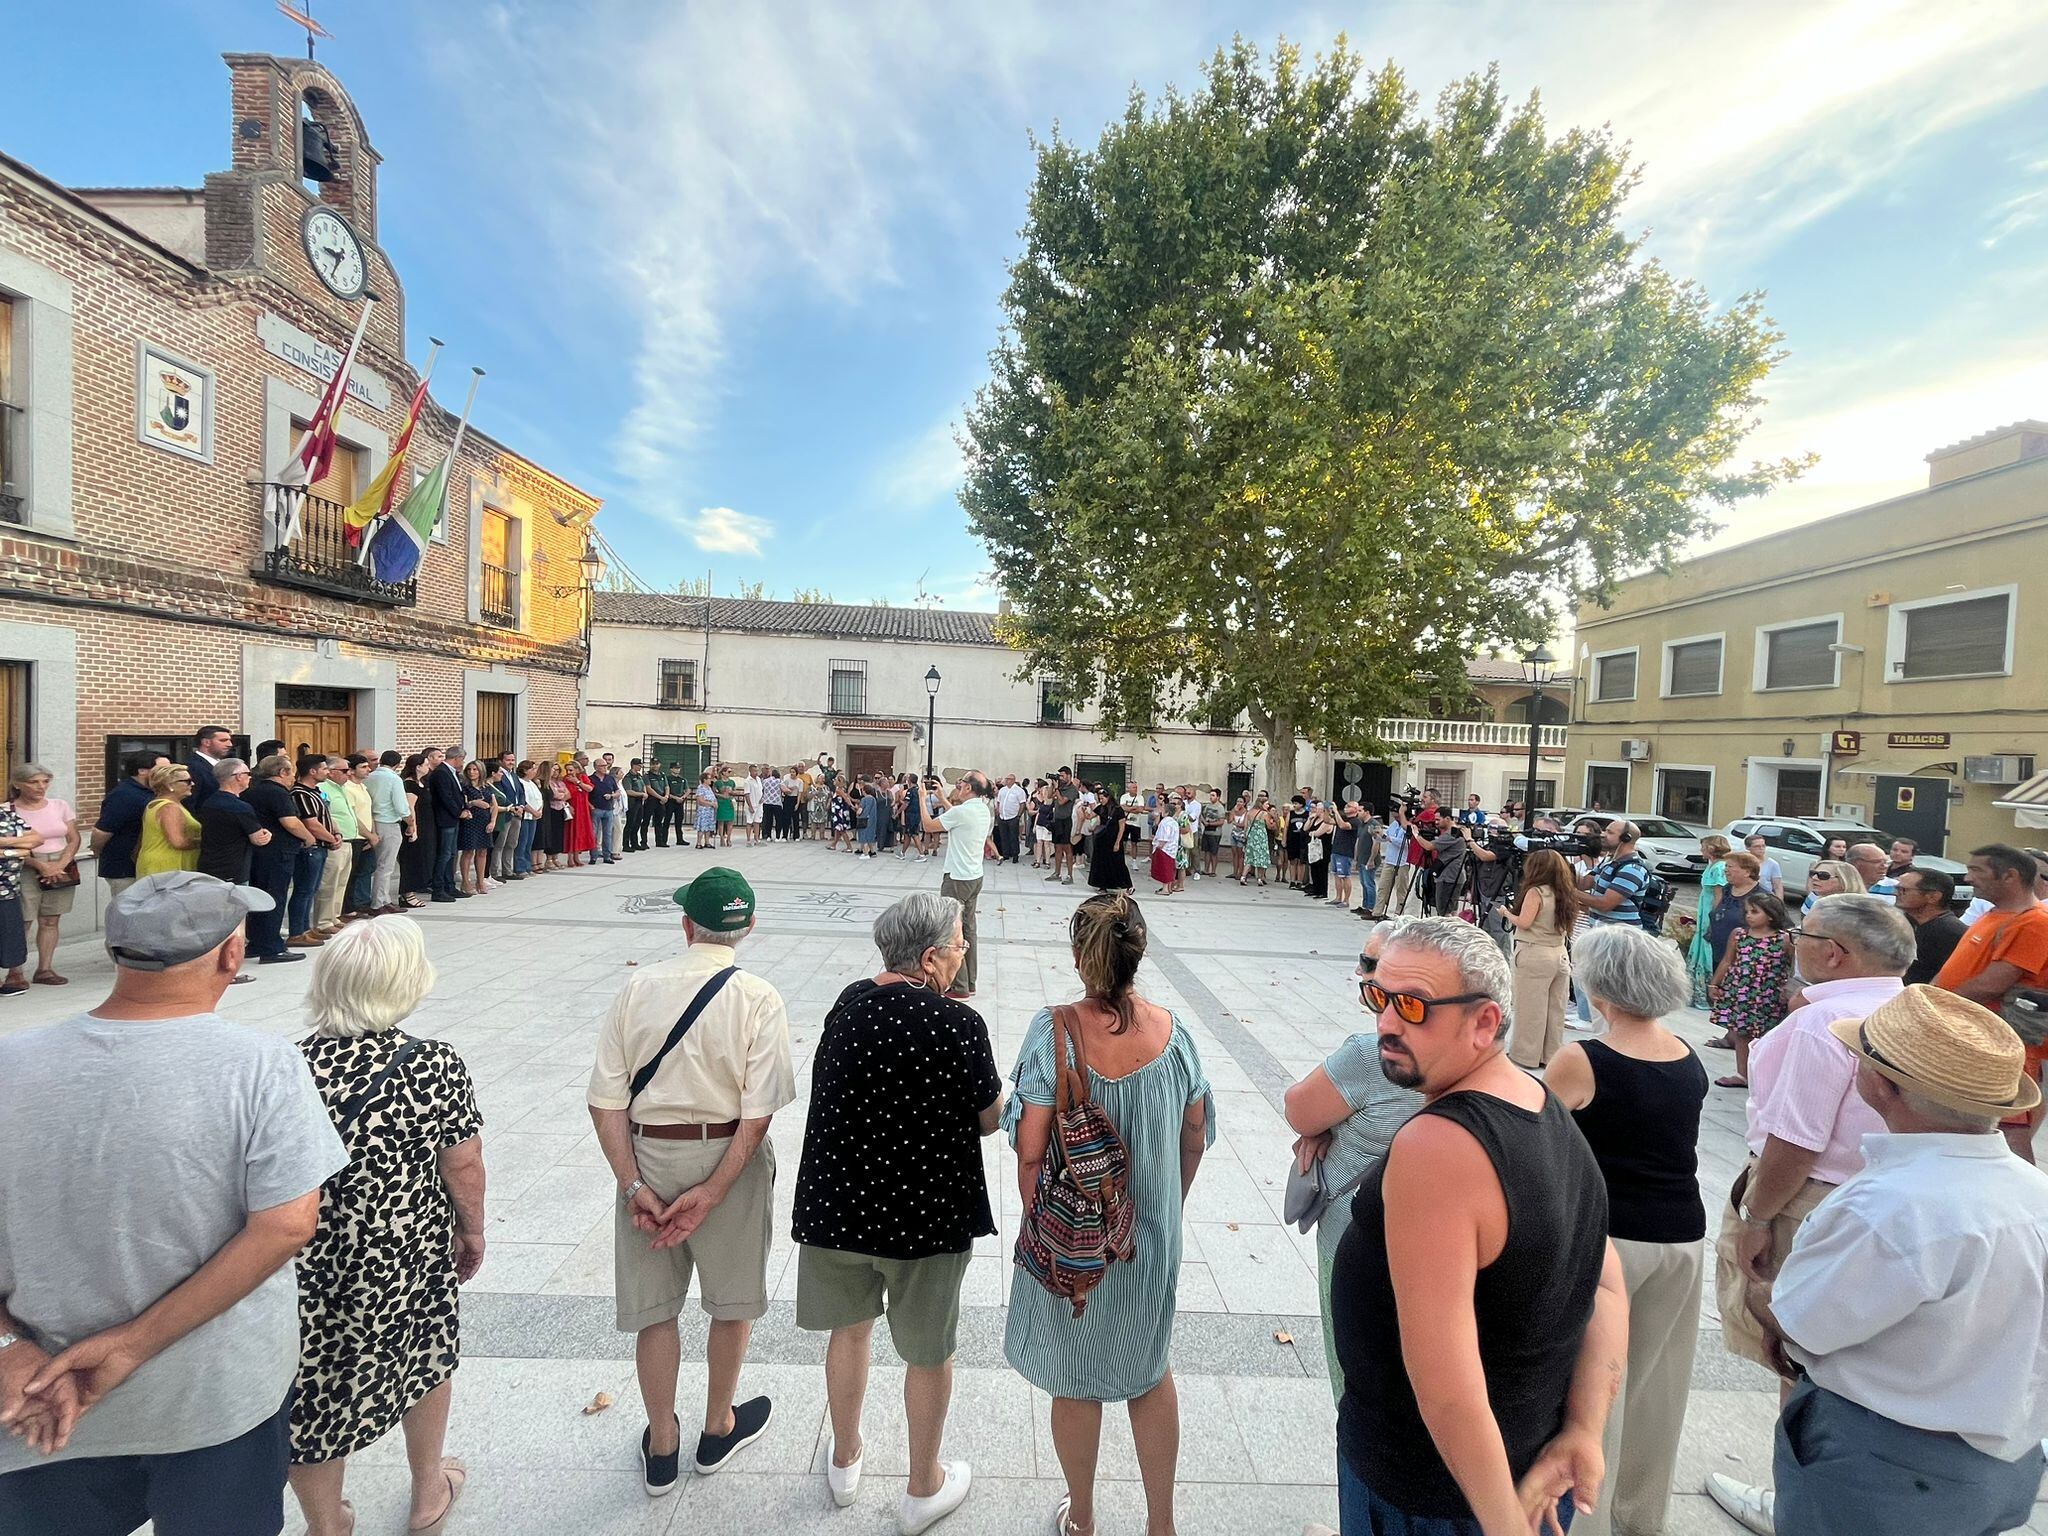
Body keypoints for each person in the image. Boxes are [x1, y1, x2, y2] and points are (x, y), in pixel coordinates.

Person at [0, 873, 344, 1536]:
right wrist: (130, 1345)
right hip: (213, 1399)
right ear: (230, 955)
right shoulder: (261, 1065)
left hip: (41, 1398)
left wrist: (10, 1345)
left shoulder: (12, 1063)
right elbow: (287, 1224)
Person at [1715, 987, 2048, 1536]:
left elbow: (1802, 1324)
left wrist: (1757, 1292)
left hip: (1887, 1462)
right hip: (2006, 1463)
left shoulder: (1889, 1206)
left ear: (1884, 1085)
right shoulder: (2032, 1193)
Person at [1330, 917, 1625, 1532]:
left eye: (1413, 1006)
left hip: (1438, 1494)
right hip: (1522, 1466)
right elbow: (1605, 1287)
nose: (1386, 1022)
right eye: (1378, 997)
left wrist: (1504, 1526)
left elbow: (1446, 1386)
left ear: (1485, 1022)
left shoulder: (1437, 1148)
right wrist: (1582, 1428)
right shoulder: (1540, 1103)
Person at [1003, 892, 1212, 1536]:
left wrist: (1044, 1226)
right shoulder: (1174, 1034)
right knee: (1151, 1373)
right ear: (1138, 952)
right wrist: (1165, 1210)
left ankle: (1085, 1515)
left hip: (1076, 1250)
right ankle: (1161, 1524)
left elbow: (1031, 1150)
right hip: (1149, 1242)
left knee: (1076, 1380)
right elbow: (1195, 1131)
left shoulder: (1054, 1029)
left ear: (1078, 957)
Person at [585, 868, 794, 1498]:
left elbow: (605, 1101)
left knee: (656, 1310)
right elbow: (759, 1115)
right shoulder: (759, 996)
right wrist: (716, 1189)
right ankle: (717, 1424)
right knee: (731, 1305)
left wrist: (631, 1185)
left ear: (685, 925)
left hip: (648, 1156)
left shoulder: (638, 987)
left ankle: (662, 1441)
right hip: (729, 1159)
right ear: (747, 927)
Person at [793, 893, 1000, 1530]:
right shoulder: (959, 1025)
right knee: (929, 1351)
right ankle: (922, 1486)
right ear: (932, 956)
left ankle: (846, 1460)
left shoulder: (848, 1004)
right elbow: (990, 1120)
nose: (965, 952)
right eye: (961, 943)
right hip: (927, 1219)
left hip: (840, 1208)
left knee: (848, 1331)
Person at [286, 917, 485, 1536]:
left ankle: (326, 1521)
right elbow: (464, 1165)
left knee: (313, 1379)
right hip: (406, 1245)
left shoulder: (284, 1065)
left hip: (305, 1250)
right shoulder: (432, 1064)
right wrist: (472, 1231)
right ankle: (428, 1491)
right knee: (424, 1354)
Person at [1707, 893, 1910, 1446]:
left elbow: (1795, 1139)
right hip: (1879, 1192)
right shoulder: (1914, 1009)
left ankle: (1792, 1486)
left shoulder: (1824, 1021)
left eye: (1804, 936)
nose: (1795, 943)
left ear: (1836, 954)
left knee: (1793, 1350)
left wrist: (1756, 1216)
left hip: (1810, 1197)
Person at [1536, 924, 1707, 1536]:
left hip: (1610, 1242)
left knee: (1594, 1385)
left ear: (1600, 986)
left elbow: (1538, 1138)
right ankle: (1639, 1520)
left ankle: (1584, 1521)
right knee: (1657, 1390)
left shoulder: (1584, 1058)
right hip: (1682, 1236)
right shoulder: (1686, 1055)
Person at [1283, 921, 1422, 1397]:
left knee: (1351, 1367)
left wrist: (1325, 1127)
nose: (1360, 973)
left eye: (1369, 965)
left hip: (1354, 1235)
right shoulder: (1457, 1059)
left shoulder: (1368, 1056)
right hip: (1429, 1240)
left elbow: (1299, 1109)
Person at [1934, 843, 2048, 1162]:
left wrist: (1929, 1006)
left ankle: (2026, 1204)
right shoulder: (1995, 914)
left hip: (2002, 1044)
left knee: (2008, 1130)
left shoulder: (2034, 922)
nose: (1969, 878)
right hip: (1975, 1038)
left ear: (2009, 876)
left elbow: (1991, 984)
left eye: (1977, 870)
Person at [1708, 891, 1796, 1089]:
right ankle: (1743, 1074)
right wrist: (1715, 984)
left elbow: (1793, 967)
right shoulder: (1739, 935)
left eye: (1754, 912)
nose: (1748, 915)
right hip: (1741, 992)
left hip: (1770, 995)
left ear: (1771, 915)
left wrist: (1788, 988)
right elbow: (1727, 961)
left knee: (1769, 1035)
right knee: (1742, 1034)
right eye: (1747, 911)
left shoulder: (1784, 940)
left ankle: (1767, 1075)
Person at [918, 772, 993, 999]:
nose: (958, 785)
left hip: (957, 878)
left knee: (952, 931)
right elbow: (957, 817)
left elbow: (929, 825)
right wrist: (942, 798)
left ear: (969, 788)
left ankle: (959, 986)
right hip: (974, 876)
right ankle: (969, 982)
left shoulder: (963, 811)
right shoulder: (981, 809)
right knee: (969, 928)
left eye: (961, 782)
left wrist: (922, 798)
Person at [1503, 848, 1579, 1069]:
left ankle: (1525, 1055)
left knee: (1530, 1008)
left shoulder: (1536, 892)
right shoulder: (1565, 893)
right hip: (1559, 953)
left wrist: (1507, 913)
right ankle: (1550, 1054)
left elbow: (1525, 922)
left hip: (1535, 952)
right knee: (1555, 1009)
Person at [10, 763, 79, 986]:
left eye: (45, 781)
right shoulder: (9, 811)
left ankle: (45, 969)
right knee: (22, 920)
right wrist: (40, 866)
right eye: (33, 782)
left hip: (60, 865)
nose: (41, 787)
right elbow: (8, 847)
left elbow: (74, 838)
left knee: (51, 919)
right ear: (18, 785)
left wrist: (61, 863)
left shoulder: (60, 805)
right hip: (25, 866)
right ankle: (15, 971)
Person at [244, 755, 309, 966]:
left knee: (259, 897)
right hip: (278, 853)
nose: (293, 778)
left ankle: (256, 942)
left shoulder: (252, 791)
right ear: (282, 773)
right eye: (290, 772)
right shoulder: (277, 792)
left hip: (259, 853)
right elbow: (290, 822)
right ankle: (272, 947)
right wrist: (308, 837)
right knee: (275, 897)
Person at [90, 751, 164, 901]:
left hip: (143, 864)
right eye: (162, 769)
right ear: (142, 771)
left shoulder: (152, 792)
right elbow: (102, 831)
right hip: (124, 867)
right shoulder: (125, 794)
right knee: (127, 911)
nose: (167, 774)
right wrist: (97, 850)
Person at [288, 756, 343, 947]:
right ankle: (297, 932)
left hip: (322, 847)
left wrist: (336, 832)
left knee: (311, 890)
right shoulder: (300, 793)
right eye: (324, 769)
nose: (328, 772)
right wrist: (331, 838)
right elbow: (310, 823)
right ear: (312, 771)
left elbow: (325, 816)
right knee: (303, 890)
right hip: (310, 849)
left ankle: (307, 928)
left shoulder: (316, 791)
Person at [196, 758, 269, 889]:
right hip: (233, 869)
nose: (250, 778)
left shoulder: (209, 802)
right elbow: (258, 839)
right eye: (248, 774)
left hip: (208, 865)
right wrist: (267, 833)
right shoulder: (240, 807)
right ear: (239, 777)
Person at [1578, 818, 1651, 931]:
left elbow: (1605, 904)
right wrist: (1560, 866)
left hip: (1620, 936)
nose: (1603, 835)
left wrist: (1568, 891)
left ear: (1625, 838)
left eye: (1610, 832)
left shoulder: (1632, 869)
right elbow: (1584, 883)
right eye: (1605, 830)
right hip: (1600, 932)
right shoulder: (1609, 862)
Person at [1896, 867, 1965, 984]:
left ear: (1933, 897)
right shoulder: (1903, 923)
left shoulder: (1950, 933)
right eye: (1897, 888)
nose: (1896, 894)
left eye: (1903, 890)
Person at [313, 757, 359, 931]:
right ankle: (323, 921)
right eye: (345, 771)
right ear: (331, 772)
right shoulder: (323, 788)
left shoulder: (342, 788)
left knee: (341, 883)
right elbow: (326, 814)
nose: (349, 774)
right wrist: (332, 835)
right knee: (329, 883)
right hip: (333, 842)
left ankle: (334, 916)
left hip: (347, 840)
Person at [136, 761, 202, 877]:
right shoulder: (169, 807)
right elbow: (178, 842)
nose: (192, 784)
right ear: (169, 785)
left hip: (158, 862)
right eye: (187, 781)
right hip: (167, 865)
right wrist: (206, 840)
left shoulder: (159, 804)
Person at [1688, 835, 1732, 1008]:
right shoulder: (1712, 865)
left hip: (1709, 910)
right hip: (1703, 908)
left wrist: (1714, 917)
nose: (1701, 850)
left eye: (1704, 847)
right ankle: (1697, 989)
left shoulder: (1719, 867)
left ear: (1712, 848)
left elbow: (1718, 894)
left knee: (1707, 946)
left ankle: (1705, 990)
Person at [365, 750, 410, 913]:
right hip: (389, 822)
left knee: (379, 864)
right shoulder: (394, 779)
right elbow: (400, 805)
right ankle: (378, 902)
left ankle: (384, 899)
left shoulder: (370, 776)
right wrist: (410, 821)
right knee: (386, 865)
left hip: (372, 822)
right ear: (398, 765)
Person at [398, 752, 437, 908]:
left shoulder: (423, 782)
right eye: (426, 765)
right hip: (416, 826)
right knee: (412, 861)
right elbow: (410, 808)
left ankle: (413, 889)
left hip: (427, 825)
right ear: (418, 767)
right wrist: (413, 829)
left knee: (423, 859)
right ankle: (407, 893)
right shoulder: (409, 784)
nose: (428, 767)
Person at [427, 748, 467, 901]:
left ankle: (449, 886)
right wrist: (458, 812)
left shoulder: (451, 772)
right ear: (457, 758)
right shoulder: (441, 772)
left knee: (451, 853)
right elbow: (446, 797)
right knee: (444, 854)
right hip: (446, 819)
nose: (462, 762)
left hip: (453, 818)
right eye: (462, 759)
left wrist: (464, 808)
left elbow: (457, 794)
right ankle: (438, 888)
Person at [457, 759, 496, 896]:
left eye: (475, 770)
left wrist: (492, 821)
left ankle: (480, 880)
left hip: (484, 821)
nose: (472, 772)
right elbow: (462, 803)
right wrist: (474, 803)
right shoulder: (464, 787)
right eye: (469, 770)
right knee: (468, 851)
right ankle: (465, 881)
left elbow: (493, 805)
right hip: (470, 821)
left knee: (483, 851)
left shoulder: (486, 787)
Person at [1085, 790, 1132, 890]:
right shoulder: (1100, 808)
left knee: (1118, 862)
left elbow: (1121, 827)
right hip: (1102, 839)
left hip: (1113, 838)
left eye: (1103, 798)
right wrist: (1085, 809)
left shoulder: (1117, 809)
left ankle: (1127, 885)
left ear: (1108, 797)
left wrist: (1118, 842)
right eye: (1099, 798)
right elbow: (1089, 816)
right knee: (1101, 863)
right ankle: (1103, 885)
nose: (1101, 800)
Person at [489, 752, 524, 881]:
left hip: (517, 812)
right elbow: (500, 795)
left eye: (513, 760)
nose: (511, 762)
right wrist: (511, 807)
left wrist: (520, 806)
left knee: (512, 843)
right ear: (501, 761)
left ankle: (507, 870)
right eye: (508, 760)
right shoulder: (499, 776)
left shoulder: (513, 775)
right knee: (500, 844)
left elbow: (520, 792)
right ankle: (494, 872)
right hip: (505, 813)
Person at [186, 724, 234, 812]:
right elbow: (190, 802)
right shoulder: (193, 767)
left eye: (230, 740)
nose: (229, 744)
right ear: (206, 742)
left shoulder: (223, 765)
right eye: (223, 740)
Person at [564, 757, 596, 866]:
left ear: (577, 770)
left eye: (571, 770)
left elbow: (590, 789)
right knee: (571, 832)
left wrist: (578, 782)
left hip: (583, 809)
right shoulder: (565, 780)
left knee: (580, 832)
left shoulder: (583, 778)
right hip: (572, 808)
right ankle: (570, 857)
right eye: (567, 770)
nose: (569, 772)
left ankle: (577, 856)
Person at [514, 759, 542, 877]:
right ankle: (520, 867)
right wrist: (534, 811)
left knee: (529, 842)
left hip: (534, 817)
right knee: (523, 842)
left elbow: (538, 798)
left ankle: (527, 865)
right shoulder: (521, 782)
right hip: (526, 815)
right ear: (525, 770)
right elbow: (524, 801)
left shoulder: (532, 783)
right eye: (533, 769)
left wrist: (540, 810)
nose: (535, 771)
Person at [1147, 796, 1180, 895]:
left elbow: (1164, 837)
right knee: (1170, 869)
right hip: (1172, 849)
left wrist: (1159, 846)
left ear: (1166, 812)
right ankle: (1169, 887)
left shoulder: (1165, 823)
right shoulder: (1174, 822)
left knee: (1165, 869)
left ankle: (1165, 889)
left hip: (1164, 849)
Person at [1743, 833, 1785, 900]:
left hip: (1764, 899)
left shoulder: (1773, 864)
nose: (1761, 848)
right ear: (1748, 847)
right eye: (1757, 846)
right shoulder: (1742, 862)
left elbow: (1778, 886)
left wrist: (1779, 904)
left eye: (1763, 846)